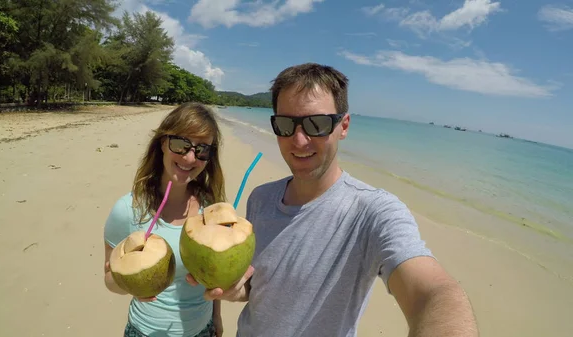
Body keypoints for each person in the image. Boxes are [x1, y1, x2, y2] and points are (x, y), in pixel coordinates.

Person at [187, 63, 479, 336]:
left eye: (316, 124)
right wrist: (236, 289)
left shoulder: (373, 212)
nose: (299, 140)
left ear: (344, 126)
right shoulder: (260, 199)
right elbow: (259, 286)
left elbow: (432, 293)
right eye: (286, 125)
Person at [103, 102, 226, 337]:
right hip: (147, 331)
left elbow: (213, 275)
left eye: (202, 150)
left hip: (203, 330)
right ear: (162, 143)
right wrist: (127, 281)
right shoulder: (129, 209)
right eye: (181, 144)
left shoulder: (211, 210)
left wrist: (217, 317)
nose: (190, 158)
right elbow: (109, 279)